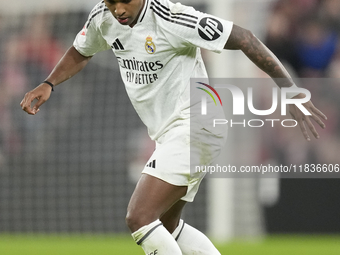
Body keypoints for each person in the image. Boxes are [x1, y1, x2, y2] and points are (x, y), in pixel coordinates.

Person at [20, 0, 327, 254]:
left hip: (196, 122)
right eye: (112, 2)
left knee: (139, 216)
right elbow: (81, 49)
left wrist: (290, 90)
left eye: (124, 1)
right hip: (172, 132)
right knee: (167, 227)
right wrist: (49, 83)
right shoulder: (103, 16)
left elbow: (245, 37)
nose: (118, 9)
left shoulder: (173, 18)